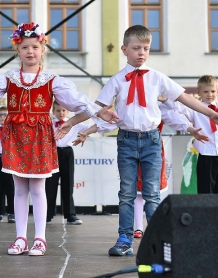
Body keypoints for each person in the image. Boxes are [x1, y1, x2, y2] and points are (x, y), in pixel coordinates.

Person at [0, 22, 119, 256]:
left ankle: (39, 238)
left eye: (35, 47)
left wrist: (100, 112)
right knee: (19, 189)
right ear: (17, 51)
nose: (30, 51)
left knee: (38, 188)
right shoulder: (8, 78)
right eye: (25, 47)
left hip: (40, 136)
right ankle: (20, 237)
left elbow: (76, 100)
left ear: (43, 50)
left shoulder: (52, 79)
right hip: (17, 136)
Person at [57, 25, 218, 256]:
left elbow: (183, 98)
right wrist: (72, 123)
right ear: (124, 49)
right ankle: (124, 239)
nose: (141, 53)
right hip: (127, 140)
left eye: (146, 48)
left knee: (152, 193)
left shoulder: (157, 78)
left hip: (152, 140)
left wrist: (211, 114)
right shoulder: (117, 80)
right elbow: (96, 108)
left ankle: (160, 241)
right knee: (127, 192)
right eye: (136, 48)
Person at [46, 101, 91, 225]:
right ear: (53, 111)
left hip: (67, 152)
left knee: (68, 183)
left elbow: (91, 127)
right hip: (52, 153)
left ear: (68, 111)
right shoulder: (49, 123)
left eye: (63, 110)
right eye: (58, 110)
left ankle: (70, 215)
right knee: (50, 185)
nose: (61, 113)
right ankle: (47, 214)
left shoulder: (74, 124)